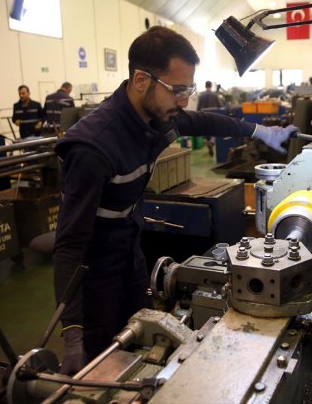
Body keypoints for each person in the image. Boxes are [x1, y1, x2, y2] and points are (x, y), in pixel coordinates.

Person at [53, 26, 297, 374]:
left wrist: (260, 131)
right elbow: (70, 244)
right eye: (178, 90)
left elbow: (202, 121)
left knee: (139, 333)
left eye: (188, 90)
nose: (183, 101)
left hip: (130, 250)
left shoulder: (154, 117)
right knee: (102, 360)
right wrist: (72, 334)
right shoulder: (93, 149)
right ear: (141, 80)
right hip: (94, 270)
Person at [197, 81, 223, 156]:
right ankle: (212, 142)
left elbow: (198, 108)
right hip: (214, 116)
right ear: (211, 86)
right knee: (215, 131)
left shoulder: (201, 95)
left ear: (205, 86)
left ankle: (209, 143)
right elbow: (220, 106)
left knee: (207, 131)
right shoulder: (215, 95)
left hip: (204, 116)